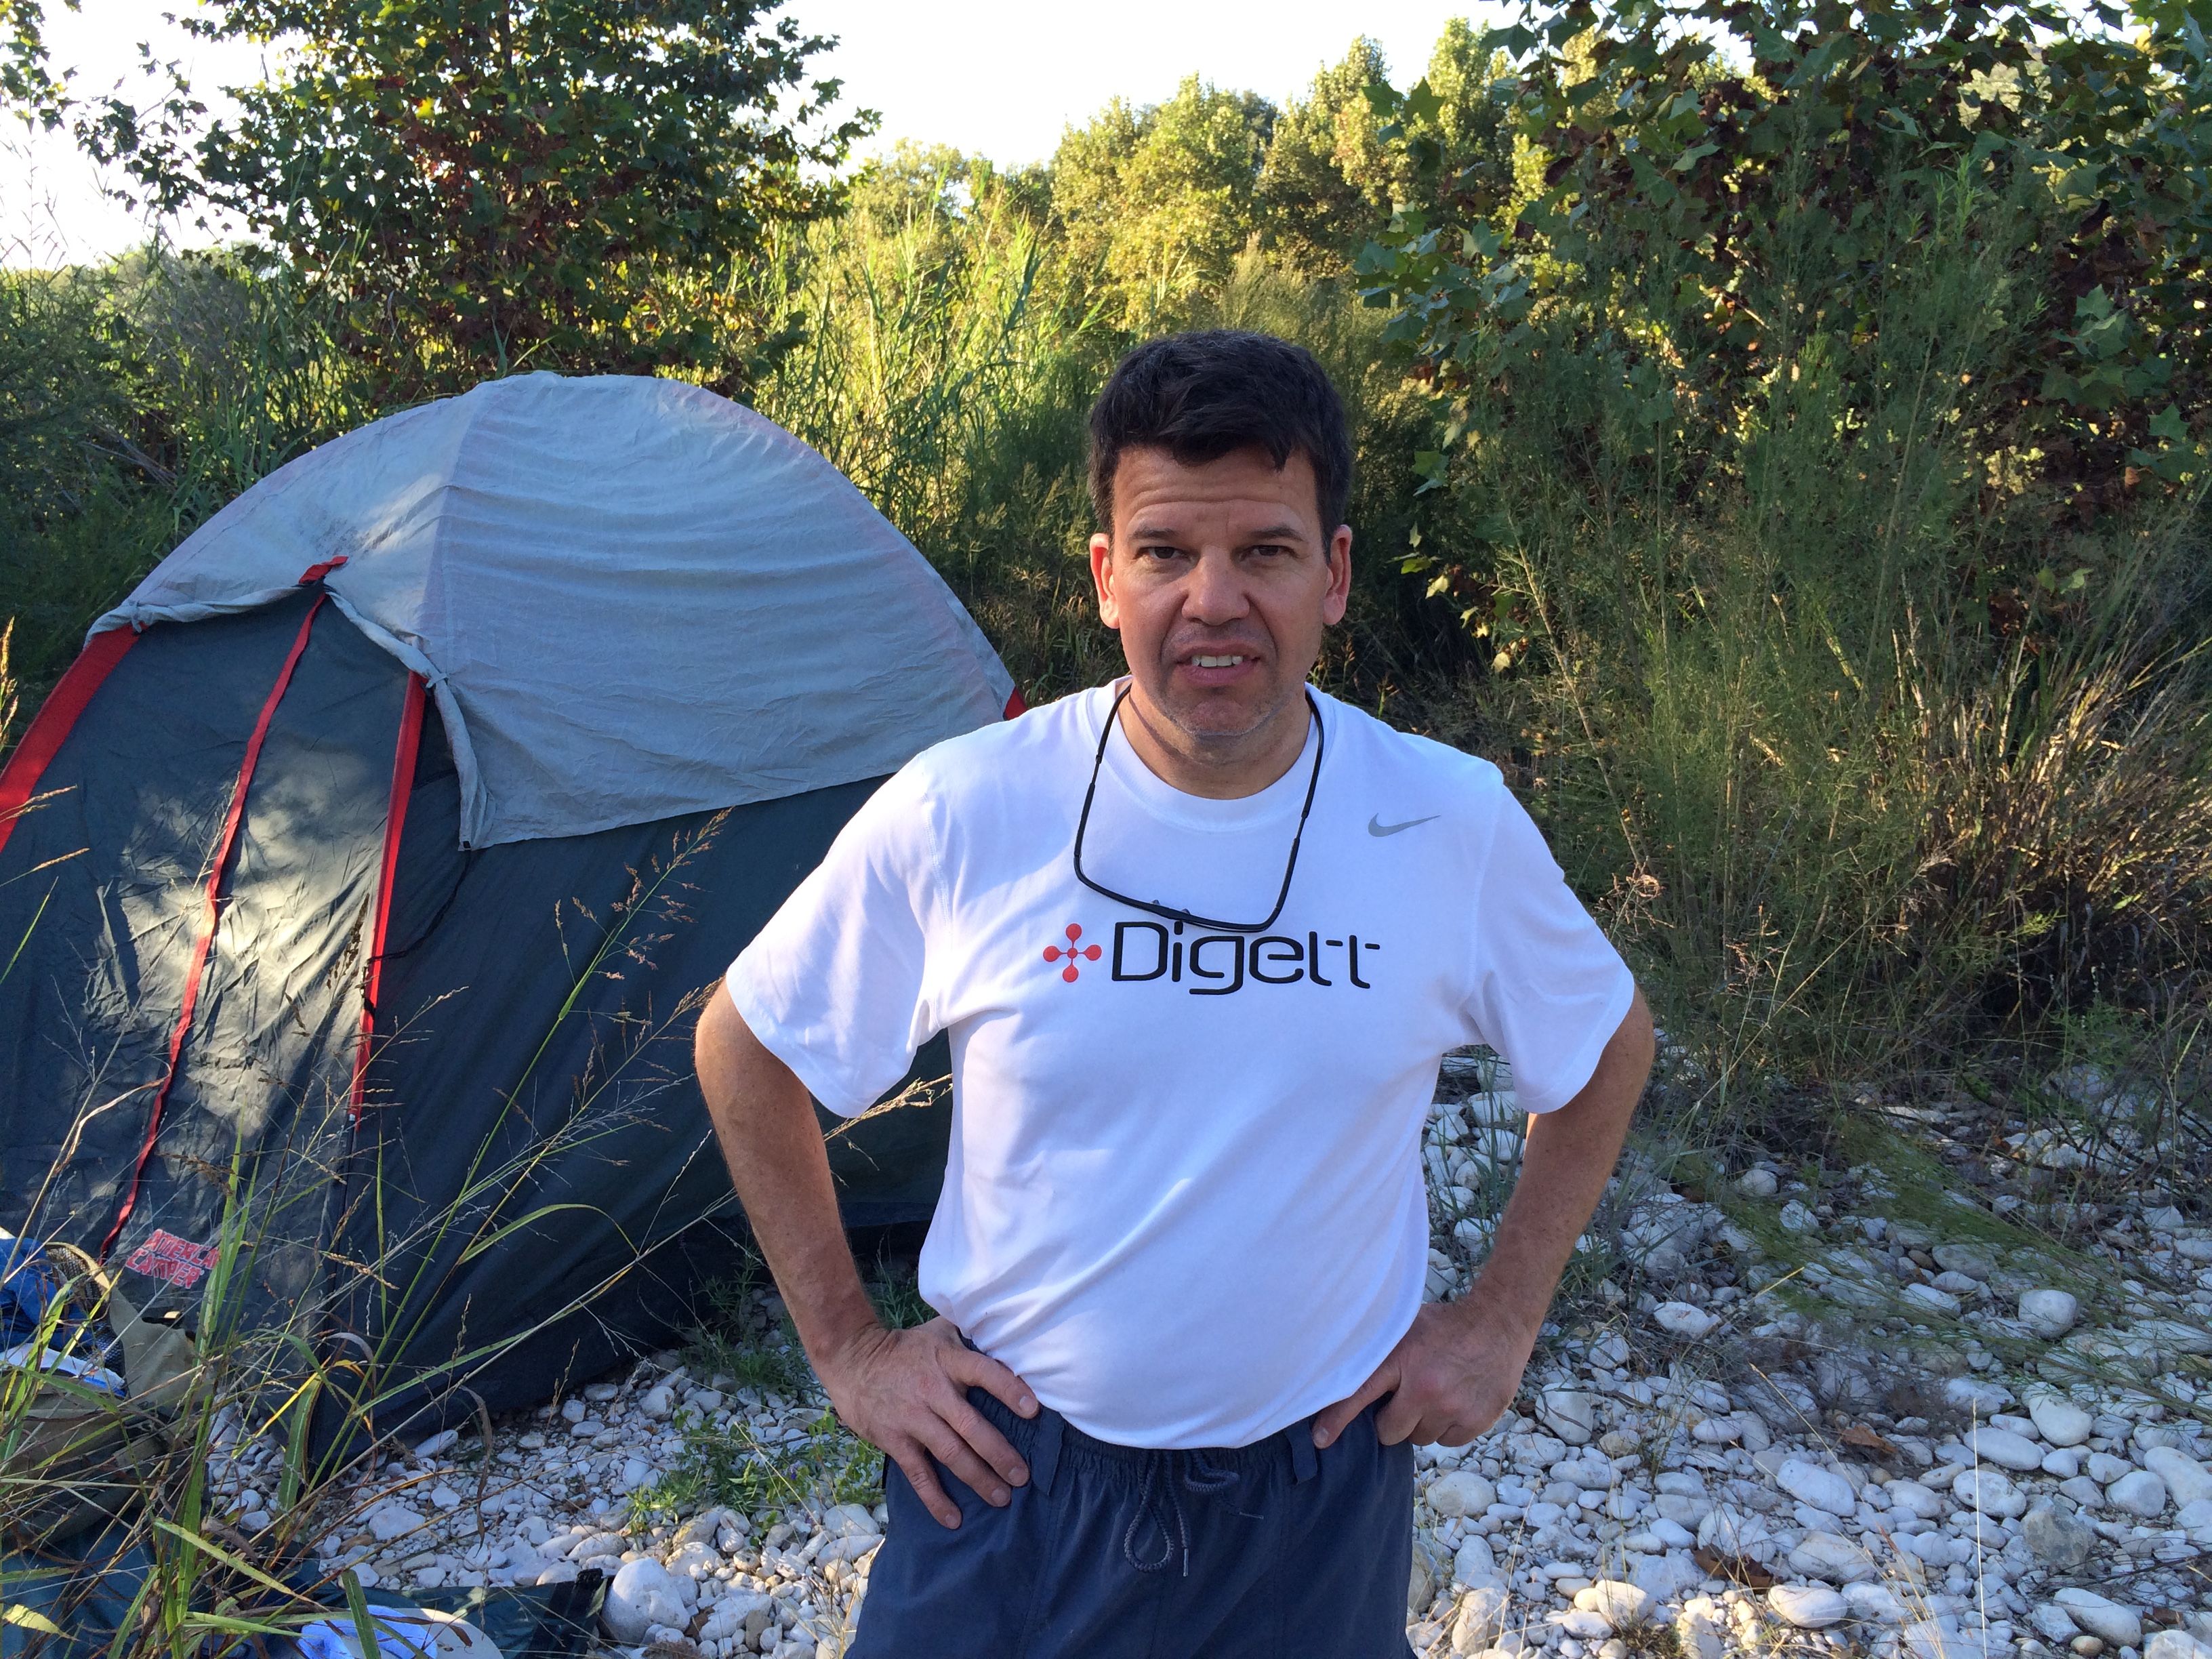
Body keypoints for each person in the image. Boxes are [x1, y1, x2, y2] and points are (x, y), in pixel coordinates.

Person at [693, 329, 1654, 1658]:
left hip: (1312, 1500)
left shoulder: (1444, 822)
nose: (1212, 598)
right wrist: (852, 1351)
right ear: (1105, 578)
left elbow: (1606, 1045)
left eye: (1263, 550)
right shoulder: (972, 807)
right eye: (1164, 552)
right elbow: (747, 1048)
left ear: (1335, 575)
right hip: (1006, 1484)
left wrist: (1501, 1320)